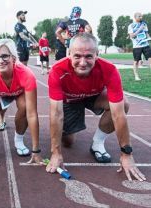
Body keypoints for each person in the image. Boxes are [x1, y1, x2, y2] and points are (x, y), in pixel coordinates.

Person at [46, 33, 146, 182]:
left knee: (123, 104)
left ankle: (97, 144)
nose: (82, 62)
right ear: (69, 55)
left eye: (88, 57)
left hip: (95, 96)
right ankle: (70, 133)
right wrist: (55, 152)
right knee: (68, 142)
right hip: (70, 101)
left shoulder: (110, 70)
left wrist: (127, 154)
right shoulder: (57, 71)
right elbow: (56, 114)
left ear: (97, 55)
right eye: (77, 56)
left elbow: (118, 115)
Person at [128, 12, 151, 81]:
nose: (141, 17)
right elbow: (132, 35)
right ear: (135, 17)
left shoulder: (144, 24)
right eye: (139, 16)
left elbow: (146, 33)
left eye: (141, 16)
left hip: (146, 45)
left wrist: (149, 38)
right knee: (136, 62)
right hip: (137, 46)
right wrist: (139, 29)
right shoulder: (131, 26)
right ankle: (136, 76)